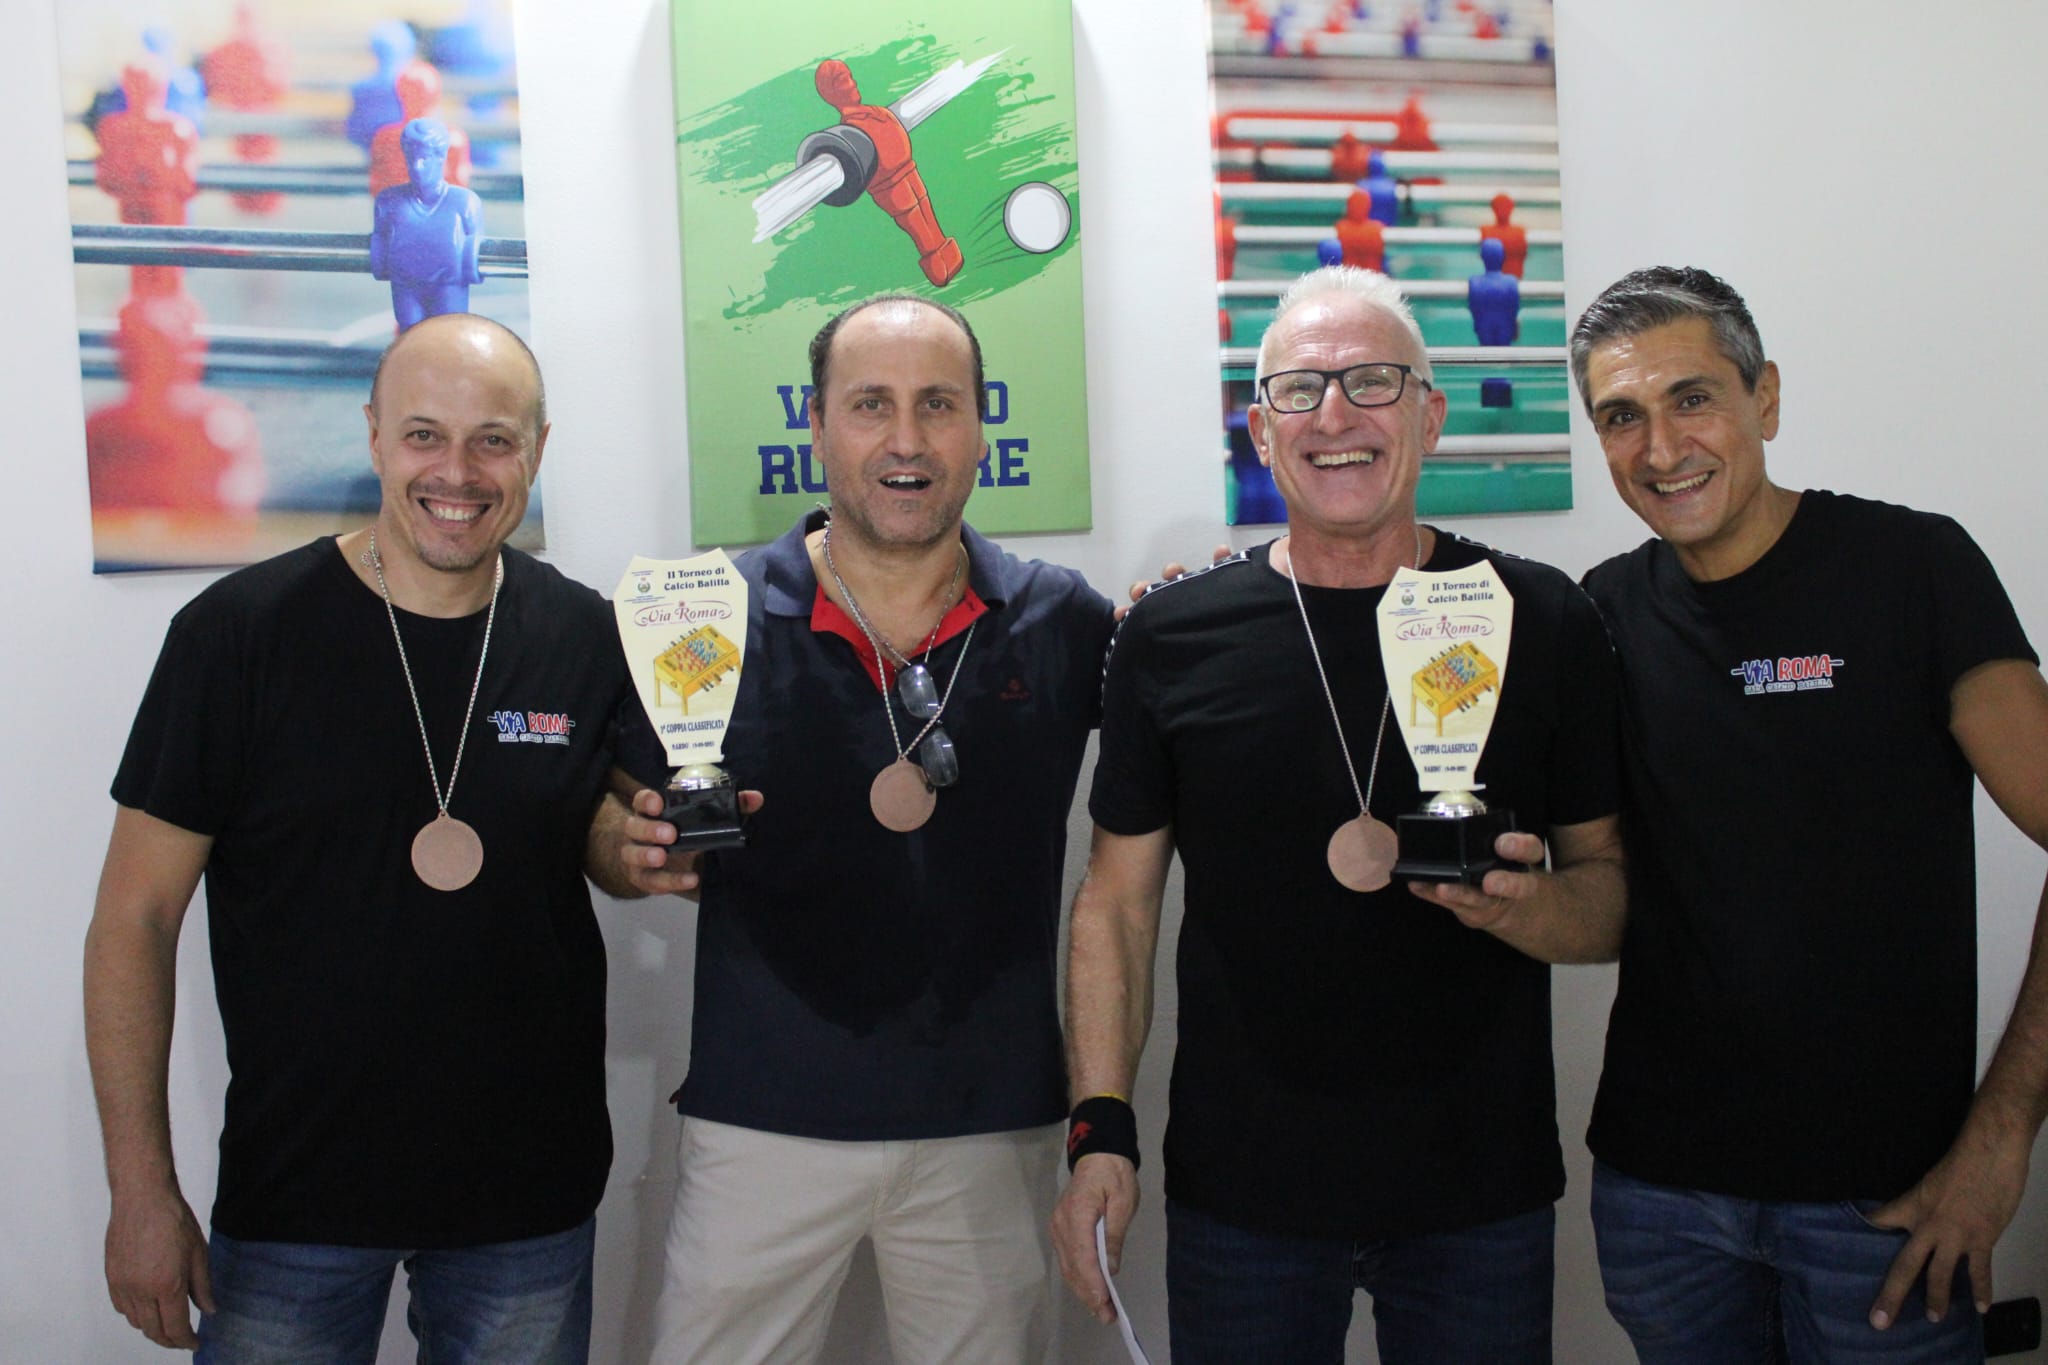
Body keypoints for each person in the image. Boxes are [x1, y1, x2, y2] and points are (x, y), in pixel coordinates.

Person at [1050, 265, 1625, 1363]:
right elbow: (1114, 906)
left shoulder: (1543, 618)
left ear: (1430, 416)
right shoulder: (1169, 636)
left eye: (1372, 381)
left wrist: (1524, 908)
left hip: (1477, 1191)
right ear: (1261, 431)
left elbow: (1609, 897)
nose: (1335, 415)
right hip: (1243, 1196)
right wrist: (1099, 1129)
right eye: (1300, 389)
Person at [84, 313, 623, 1362]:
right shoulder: (239, 635)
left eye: (493, 440)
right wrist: (141, 1190)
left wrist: (646, 852)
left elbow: (601, 839)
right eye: (424, 435)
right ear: (374, 435)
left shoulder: (586, 634)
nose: (456, 473)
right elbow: (134, 919)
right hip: (296, 1202)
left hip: (528, 1201)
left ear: (538, 449)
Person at [591, 294, 1115, 1364]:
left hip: (986, 1123)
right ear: (817, 425)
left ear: (982, 427)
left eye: (939, 405)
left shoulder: (1063, 620)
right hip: (761, 1118)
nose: (906, 439)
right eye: (871, 404)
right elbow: (604, 813)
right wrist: (623, 849)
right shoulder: (707, 614)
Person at [1572, 266, 2048, 1361]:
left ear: (1766, 398)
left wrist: (2001, 1133)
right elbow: (1590, 883)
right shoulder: (1600, 611)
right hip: (1659, 1203)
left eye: (1692, 398)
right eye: (1621, 416)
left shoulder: (1912, 567)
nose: (1660, 448)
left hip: (1885, 1206)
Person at [370, 118, 485, 331]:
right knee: (410, 332)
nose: (416, 167)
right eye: (411, 158)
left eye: (424, 158)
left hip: (448, 287)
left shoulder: (465, 202)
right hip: (406, 287)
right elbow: (379, 244)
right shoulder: (388, 202)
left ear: (441, 157)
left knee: (447, 332)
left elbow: (476, 250)